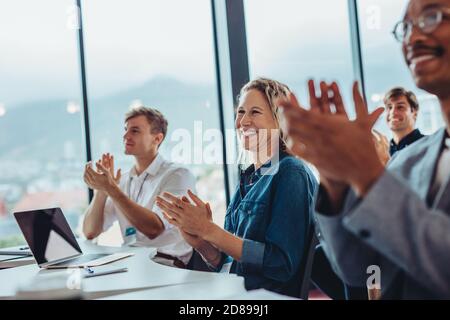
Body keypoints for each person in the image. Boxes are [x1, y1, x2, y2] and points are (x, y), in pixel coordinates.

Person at [280, 0, 450, 299]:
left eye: (431, 16)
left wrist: (368, 175)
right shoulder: (411, 160)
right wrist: (335, 179)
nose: (413, 38)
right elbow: (360, 269)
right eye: (406, 28)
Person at [156, 78, 318, 297]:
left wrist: (209, 230)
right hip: (230, 291)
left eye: (255, 112)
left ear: (279, 119)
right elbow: (227, 263)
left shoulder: (290, 172)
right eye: (240, 112)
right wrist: (201, 242)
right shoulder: (248, 178)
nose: (243, 121)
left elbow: (281, 265)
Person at [82, 107, 196, 267]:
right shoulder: (122, 181)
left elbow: (154, 229)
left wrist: (111, 189)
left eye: (134, 131)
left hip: (165, 264)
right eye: (125, 130)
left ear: (157, 139)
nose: (125, 136)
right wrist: (101, 192)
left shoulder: (178, 175)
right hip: (132, 261)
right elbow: (90, 232)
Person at [384, 87, 425, 156]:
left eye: (400, 107)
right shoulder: (384, 150)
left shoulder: (431, 145)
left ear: (414, 112)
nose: (392, 112)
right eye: (389, 107)